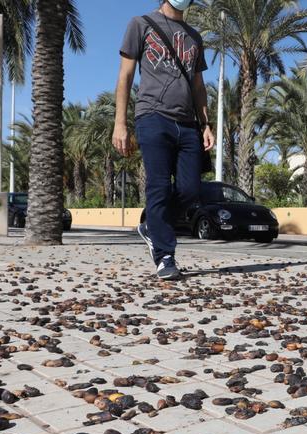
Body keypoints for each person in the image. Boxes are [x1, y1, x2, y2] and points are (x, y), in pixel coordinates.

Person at [112, 0, 215, 281]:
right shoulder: (140, 24)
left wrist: (206, 124)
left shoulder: (194, 37)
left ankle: (151, 227)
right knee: (157, 187)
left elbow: (198, 85)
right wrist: (120, 123)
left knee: (190, 190)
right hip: (152, 117)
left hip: (188, 123)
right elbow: (126, 75)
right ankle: (164, 256)